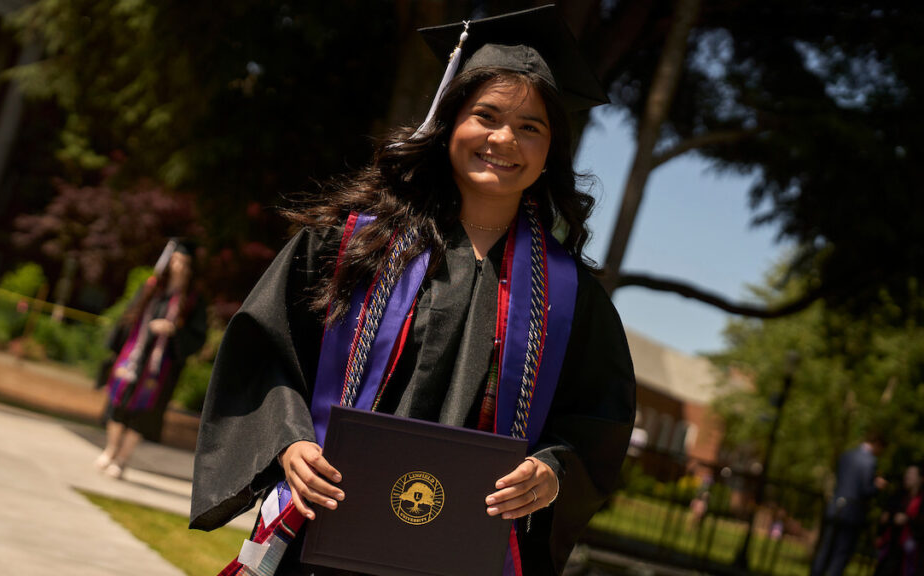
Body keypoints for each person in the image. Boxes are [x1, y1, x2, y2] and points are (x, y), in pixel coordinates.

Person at [190, 6, 636, 576]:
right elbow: (265, 356)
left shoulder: (571, 299)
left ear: (551, 154)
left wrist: (552, 471)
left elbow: (595, 423)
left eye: (531, 127)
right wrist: (290, 442)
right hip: (327, 535)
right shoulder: (349, 248)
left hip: (462, 556)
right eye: (487, 115)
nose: (505, 139)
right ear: (449, 121)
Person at [94, 240, 207, 478]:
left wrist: (174, 330)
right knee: (117, 403)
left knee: (144, 413)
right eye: (175, 260)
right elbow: (129, 314)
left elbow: (198, 336)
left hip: (161, 367)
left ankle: (122, 460)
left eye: (184, 262)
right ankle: (111, 449)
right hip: (133, 355)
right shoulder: (152, 287)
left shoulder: (193, 300)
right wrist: (116, 348)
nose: (178, 266)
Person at [812, 437, 888, 576]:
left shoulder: (846, 455)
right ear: (877, 445)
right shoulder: (870, 462)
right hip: (852, 512)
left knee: (825, 549)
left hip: (835, 508)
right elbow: (865, 490)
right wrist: (877, 487)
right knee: (841, 553)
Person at [875, 464, 922, 576]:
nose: (907, 477)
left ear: (920, 478)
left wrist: (908, 520)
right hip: (892, 545)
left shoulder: (920, 501)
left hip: (912, 552)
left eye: (911, 474)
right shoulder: (899, 495)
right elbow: (885, 517)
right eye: (907, 474)